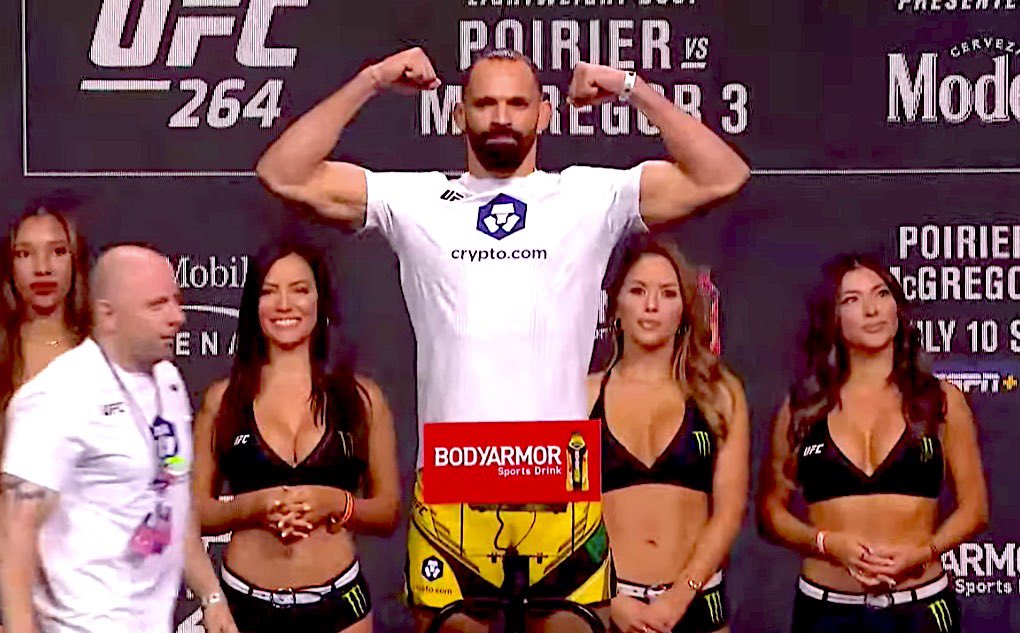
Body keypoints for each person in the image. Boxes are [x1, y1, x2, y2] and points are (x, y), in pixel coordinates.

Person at [256, 45, 750, 631]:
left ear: (544, 114)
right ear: (457, 115)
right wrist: (373, 78)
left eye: (517, 103)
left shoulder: (589, 196)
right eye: (485, 103)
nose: (500, 116)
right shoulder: (416, 201)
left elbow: (722, 175)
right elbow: (283, 172)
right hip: (454, 485)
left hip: (558, 488)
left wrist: (628, 86)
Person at [0, 244, 237, 633]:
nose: (177, 317)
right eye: (157, 305)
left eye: (176, 301)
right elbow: (15, 536)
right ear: (108, 315)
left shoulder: (169, 383)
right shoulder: (56, 396)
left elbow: (174, 499)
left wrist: (211, 597)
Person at [758, 254, 989, 633]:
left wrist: (923, 553)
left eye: (881, 294)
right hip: (826, 612)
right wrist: (825, 544)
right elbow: (770, 513)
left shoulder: (940, 400)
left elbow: (975, 509)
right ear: (832, 318)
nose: (872, 310)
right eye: (852, 299)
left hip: (921, 609)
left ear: (897, 307)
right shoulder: (802, 408)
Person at [191, 243, 399, 633]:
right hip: (244, 608)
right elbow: (197, 512)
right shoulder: (224, 400)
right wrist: (254, 506)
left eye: (300, 289)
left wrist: (334, 502)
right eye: (269, 291)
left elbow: (387, 511)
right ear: (253, 305)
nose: (285, 304)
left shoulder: (361, 398)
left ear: (321, 300)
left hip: (339, 607)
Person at [587, 236, 748, 633]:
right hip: (608, 606)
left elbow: (728, 511)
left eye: (668, 293)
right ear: (615, 306)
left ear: (684, 310)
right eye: (638, 291)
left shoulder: (718, 393)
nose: (652, 305)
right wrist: (611, 599)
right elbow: (562, 517)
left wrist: (679, 597)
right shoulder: (583, 396)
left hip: (697, 600)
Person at [0, 197, 90, 420]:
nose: (42, 268)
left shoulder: (101, 350)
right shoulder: (4, 350)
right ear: (10, 265)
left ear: (75, 260)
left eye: (58, 251)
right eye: (24, 254)